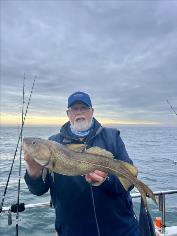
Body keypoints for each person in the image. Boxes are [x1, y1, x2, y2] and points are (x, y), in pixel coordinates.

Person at [24, 91, 140, 236]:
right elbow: (38, 191)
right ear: (68, 113)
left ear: (92, 111)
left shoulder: (112, 137)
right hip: (73, 231)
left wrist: (106, 180)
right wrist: (33, 173)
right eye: (74, 109)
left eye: (83, 108)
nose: (79, 112)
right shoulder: (53, 143)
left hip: (120, 229)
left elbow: (129, 182)